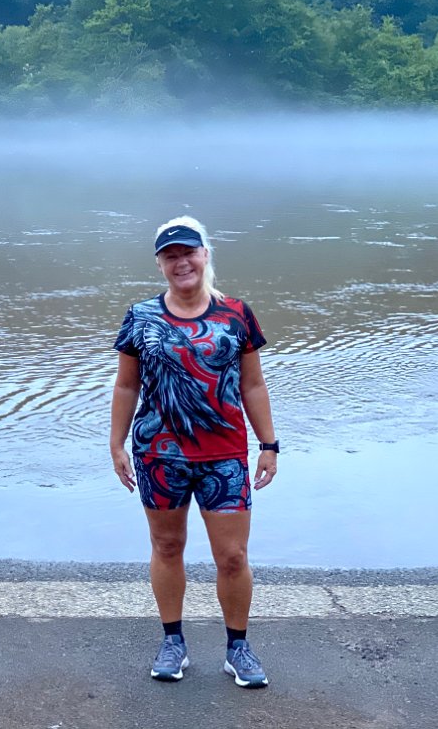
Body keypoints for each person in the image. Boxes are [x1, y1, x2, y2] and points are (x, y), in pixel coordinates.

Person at [110, 216, 278, 689]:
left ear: (205, 255)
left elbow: (253, 384)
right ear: (159, 264)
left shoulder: (237, 314)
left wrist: (268, 444)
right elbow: (126, 386)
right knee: (167, 547)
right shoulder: (141, 317)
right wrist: (116, 444)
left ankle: (238, 647)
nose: (180, 262)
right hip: (158, 454)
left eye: (188, 252)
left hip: (224, 455)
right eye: (170, 256)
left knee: (233, 555)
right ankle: (173, 642)